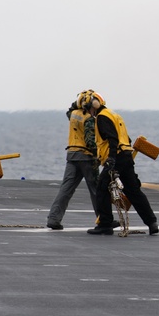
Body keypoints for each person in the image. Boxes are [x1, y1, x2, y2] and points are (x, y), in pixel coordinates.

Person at [82, 91, 159, 236]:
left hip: (116, 157)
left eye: (89, 108)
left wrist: (111, 159)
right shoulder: (115, 115)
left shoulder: (102, 117)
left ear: (95, 104)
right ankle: (152, 222)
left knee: (101, 189)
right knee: (134, 191)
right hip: (126, 155)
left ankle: (105, 224)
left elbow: (112, 139)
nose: (90, 112)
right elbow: (126, 138)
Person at [46, 90, 100, 230]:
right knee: (96, 190)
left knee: (66, 189)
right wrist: (99, 154)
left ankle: (53, 219)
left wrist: (80, 99)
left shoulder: (73, 115)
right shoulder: (88, 119)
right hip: (87, 158)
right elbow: (89, 141)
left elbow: (70, 109)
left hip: (72, 155)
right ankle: (102, 219)